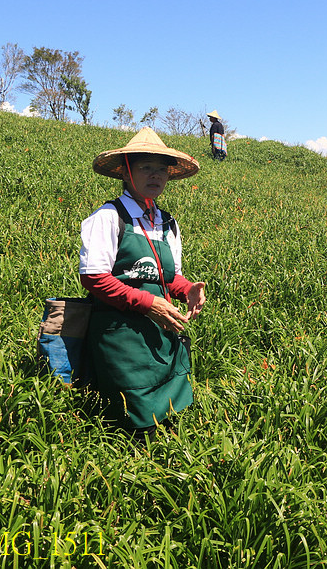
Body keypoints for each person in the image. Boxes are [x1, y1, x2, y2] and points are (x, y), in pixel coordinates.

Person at [79, 128, 206, 442]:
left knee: (172, 416)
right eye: (146, 167)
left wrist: (185, 289)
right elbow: (94, 277)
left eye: (161, 169)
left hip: (159, 331)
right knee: (135, 424)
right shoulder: (109, 217)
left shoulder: (166, 222)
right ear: (126, 171)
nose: (156, 175)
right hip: (120, 336)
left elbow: (167, 276)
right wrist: (149, 303)